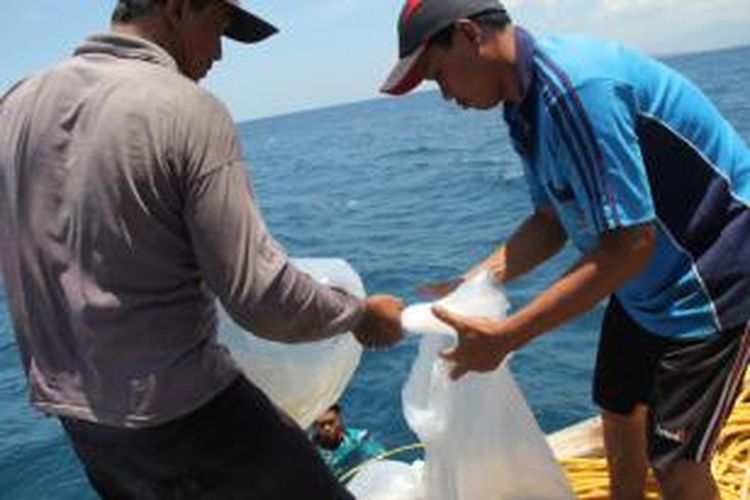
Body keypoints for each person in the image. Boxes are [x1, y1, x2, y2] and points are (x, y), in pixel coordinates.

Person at [0, 0, 404, 498]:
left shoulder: (14, 105)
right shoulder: (186, 108)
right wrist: (361, 315)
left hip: (85, 427)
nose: (219, 54)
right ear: (179, 8)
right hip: (188, 418)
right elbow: (261, 299)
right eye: (220, 26)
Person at [380, 1, 750, 499]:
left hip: (711, 274)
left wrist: (507, 336)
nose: (445, 94)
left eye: (439, 74)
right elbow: (551, 221)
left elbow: (629, 245)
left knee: (678, 468)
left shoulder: (576, 91)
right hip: (648, 280)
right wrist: (476, 282)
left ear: (468, 34)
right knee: (619, 414)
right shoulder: (522, 104)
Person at [312, 404, 386, 478]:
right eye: (322, 425)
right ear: (314, 426)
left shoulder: (360, 438)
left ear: (339, 419)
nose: (327, 428)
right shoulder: (310, 452)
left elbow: (380, 458)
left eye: (331, 422)